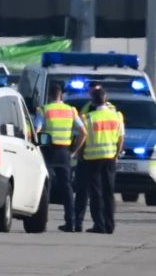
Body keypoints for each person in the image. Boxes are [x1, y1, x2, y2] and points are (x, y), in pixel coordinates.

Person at [35, 83, 87, 232]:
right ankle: (70, 223)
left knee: (45, 187)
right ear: (61, 95)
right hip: (64, 152)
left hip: (48, 152)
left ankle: (41, 221)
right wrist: (74, 151)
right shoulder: (70, 111)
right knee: (67, 188)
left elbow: (36, 129)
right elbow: (83, 132)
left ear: (49, 96)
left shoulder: (44, 110)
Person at [76, 88, 123, 234]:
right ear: (105, 98)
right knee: (109, 192)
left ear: (93, 100)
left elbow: (82, 139)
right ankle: (110, 225)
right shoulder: (116, 116)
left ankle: (99, 225)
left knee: (96, 193)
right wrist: (116, 154)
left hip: (92, 159)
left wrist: (79, 153)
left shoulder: (88, 118)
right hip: (110, 158)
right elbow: (121, 139)